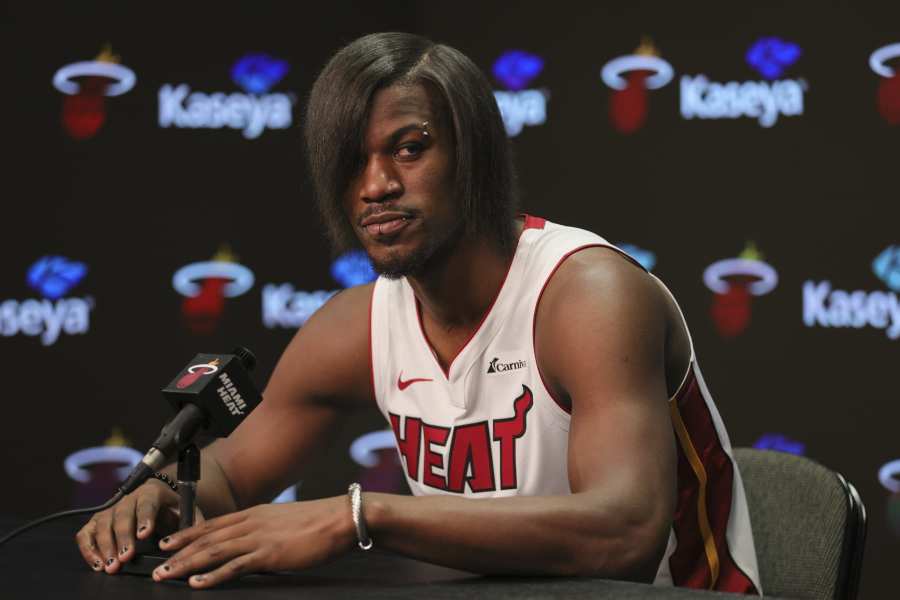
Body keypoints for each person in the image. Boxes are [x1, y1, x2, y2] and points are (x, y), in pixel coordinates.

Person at [75, 32, 761, 593]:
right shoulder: (357, 326)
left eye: (409, 148)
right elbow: (229, 474)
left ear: (474, 157)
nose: (375, 186)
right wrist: (158, 494)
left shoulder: (585, 296)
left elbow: (625, 537)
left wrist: (359, 516)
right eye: (352, 161)